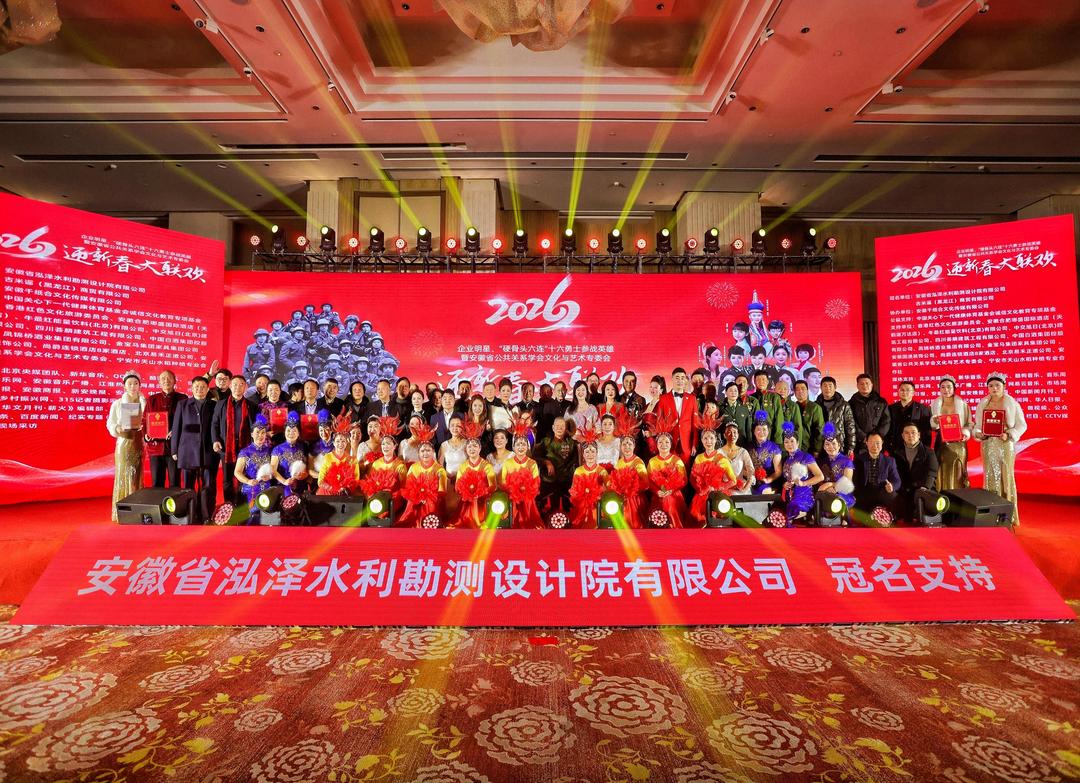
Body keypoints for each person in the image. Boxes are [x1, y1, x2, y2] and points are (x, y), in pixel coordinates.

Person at [974, 372, 1027, 525]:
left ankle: (1008, 516)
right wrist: (979, 433)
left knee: (1006, 477)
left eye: (997, 385)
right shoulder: (983, 403)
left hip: (1005, 444)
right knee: (990, 476)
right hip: (988, 444)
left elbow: (1022, 425)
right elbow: (978, 425)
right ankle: (991, 515)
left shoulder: (1012, 403)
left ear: (1004, 386)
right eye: (991, 386)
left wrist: (1009, 434)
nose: (994, 388)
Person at [171, 376, 218, 523]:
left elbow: (217, 427)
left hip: (208, 451)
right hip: (187, 451)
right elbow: (176, 428)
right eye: (196, 387)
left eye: (203, 387)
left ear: (208, 389)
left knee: (208, 485)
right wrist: (174, 450)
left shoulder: (214, 405)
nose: (199, 389)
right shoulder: (183, 404)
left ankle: (206, 516)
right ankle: (189, 516)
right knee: (188, 486)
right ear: (192, 388)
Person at [212, 375, 259, 504]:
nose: (238, 387)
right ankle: (229, 506)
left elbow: (256, 426)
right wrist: (215, 440)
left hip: (245, 448)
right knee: (227, 480)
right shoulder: (221, 404)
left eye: (241, 384)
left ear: (245, 387)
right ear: (230, 386)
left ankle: (242, 507)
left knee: (244, 478)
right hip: (226, 447)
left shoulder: (251, 405)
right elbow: (214, 424)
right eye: (235, 384)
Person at [106, 371, 146, 521]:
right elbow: (110, 423)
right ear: (124, 386)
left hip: (139, 443)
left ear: (139, 385)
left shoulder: (144, 403)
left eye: (136, 383)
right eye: (130, 383)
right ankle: (123, 512)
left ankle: (137, 511)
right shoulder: (117, 404)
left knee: (137, 476)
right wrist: (118, 429)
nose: (133, 386)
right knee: (124, 475)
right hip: (124, 443)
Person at [688, 417, 737, 527]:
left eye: (711, 438)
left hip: (717, 495)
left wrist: (718, 488)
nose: (708, 441)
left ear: (716, 440)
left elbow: (733, 481)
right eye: (705, 438)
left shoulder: (722, 459)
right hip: (701, 495)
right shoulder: (699, 458)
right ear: (701, 440)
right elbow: (692, 478)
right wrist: (701, 489)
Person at [144, 369, 186, 489]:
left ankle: (174, 502)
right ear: (159, 382)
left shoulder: (182, 399)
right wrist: (146, 434)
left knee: (175, 483)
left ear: (174, 381)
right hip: (155, 448)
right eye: (163, 378)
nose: (166, 381)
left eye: (169, 378)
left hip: (174, 448)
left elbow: (186, 420)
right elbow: (145, 420)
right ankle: (158, 503)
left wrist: (176, 431)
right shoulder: (152, 399)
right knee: (157, 483)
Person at [930, 374, 972, 491]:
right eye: (942, 387)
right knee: (941, 470)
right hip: (942, 443)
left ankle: (958, 498)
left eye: (949, 387)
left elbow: (969, 424)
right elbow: (932, 425)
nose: (946, 390)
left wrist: (965, 433)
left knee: (958, 472)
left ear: (954, 388)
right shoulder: (935, 405)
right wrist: (934, 421)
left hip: (959, 444)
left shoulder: (963, 405)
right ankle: (943, 497)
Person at [778, 422, 824, 523]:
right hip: (790, 498)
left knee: (786, 517)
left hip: (804, 497)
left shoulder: (806, 457)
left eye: (792, 441)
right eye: (786, 442)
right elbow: (788, 480)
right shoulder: (786, 460)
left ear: (798, 442)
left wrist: (803, 483)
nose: (789, 444)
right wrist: (785, 484)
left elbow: (820, 476)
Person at [895, 422, 939, 523]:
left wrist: (925, 487)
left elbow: (932, 472)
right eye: (906, 433)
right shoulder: (897, 452)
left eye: (913, 432)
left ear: (919, 435)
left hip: (922, 487)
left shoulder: (929, 452)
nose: (910, 435)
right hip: (904, 488)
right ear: (902, 436)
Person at [233, 416, 275, 520]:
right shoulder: (245, 452)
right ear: (252, 434)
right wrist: (248, 481)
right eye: (257, 432)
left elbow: (274, 470)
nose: (260, 435)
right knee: (253, 517)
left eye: (263, 433)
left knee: (268, 519)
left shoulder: (270, 450)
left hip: (267, 489)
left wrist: (270, 476)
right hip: (251, 489)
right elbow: (237, 472)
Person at [501, 424, 542, 528]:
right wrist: (514, 491)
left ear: (527, 447)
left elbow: (536, 482)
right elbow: (503, 482)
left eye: (523, 444)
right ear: (513, 447)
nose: (521, 447)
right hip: (512, 498)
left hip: (528, 499)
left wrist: (525, 491)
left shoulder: (532, 463)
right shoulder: (508, 463)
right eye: (518, 444)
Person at [853, 433, 901, 521]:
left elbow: (897, 480)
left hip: (882, 491)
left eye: (877, 443)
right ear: (866, 443)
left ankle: (891, 518)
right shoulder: (859, 459)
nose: (874, 446)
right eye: (871, 442)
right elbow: (855, 480)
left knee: (894, 497)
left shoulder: (889, 461)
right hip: (865, 492)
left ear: (882, 443)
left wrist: (892, 486)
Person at [400, 440, 448, 527]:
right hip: (416, 498)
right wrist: (419, 497)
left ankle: (430, 523)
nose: (425, 453)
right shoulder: (414, 467)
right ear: (418, 454)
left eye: (428, 450)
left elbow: (441, 491)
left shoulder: (439, 469)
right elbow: (409, 485)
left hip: (433, 498)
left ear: (433, 453)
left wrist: (427, 497)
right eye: (422, 451)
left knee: (430, 503)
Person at [654, 367, 698, 463]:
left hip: (686, 444)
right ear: (672, 379)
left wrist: (694, 444)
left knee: (685, 470)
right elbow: (659, 422)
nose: (680, 381)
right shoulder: (663, 398)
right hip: (669, 444)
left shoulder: (692, 398)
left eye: (682, 378)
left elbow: (695, 424)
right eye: (677, 378)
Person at [535, 416, 576, 516]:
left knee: (568, 508)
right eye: (557, 426)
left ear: (566, 429)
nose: (559, 428)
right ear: (553, 427)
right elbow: (536, 456)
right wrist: (546, 462)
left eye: (562, 426)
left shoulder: (571, 443)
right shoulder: (546, 441)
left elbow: (575, 461)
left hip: (565, 479)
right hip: (548, 479)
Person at [455, 432, 497, 529]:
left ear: (480, 448)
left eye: (475, 446)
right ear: (466, 450)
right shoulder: (463, 466)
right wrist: (467, 493)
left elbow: (493, 486)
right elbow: (457, 486)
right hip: (467, 501)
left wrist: (481, 493)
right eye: (469, 446)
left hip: (482, 501)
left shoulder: (486, 466)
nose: (472, 449)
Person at [647, 431, 687, 528]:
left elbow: (684, 480)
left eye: (666, 442)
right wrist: (657, 491)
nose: (663, 444)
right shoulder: (652, 461)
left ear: (671, 444)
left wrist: (672, 490)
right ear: (656, 444)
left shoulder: (677, 460)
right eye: (660, 442)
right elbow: (648, 481)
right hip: (658, 496)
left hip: (674, 495)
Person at [611, 432, 648, 529]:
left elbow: (645, 483)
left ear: (634, 446)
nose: (627, 447)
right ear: (620, 446)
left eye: (630, 444)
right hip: (621, 498)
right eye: (624, 444)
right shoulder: (619, 462)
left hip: (635, 499)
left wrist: (631, 490)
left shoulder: (638, 462)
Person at [569, 441, 609, 528]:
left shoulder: (602, 471)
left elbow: (609, 489)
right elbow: (574, 490)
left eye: (593, 451)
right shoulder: (578, 471)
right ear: (583, 454)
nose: (590, 455)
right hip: (582, 507)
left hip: (597, 506)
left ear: (597, 453)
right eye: (587, 452)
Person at [817, 422, 855, 512]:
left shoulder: (847, 461)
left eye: (834, 443)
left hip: (842, 494)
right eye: (827, 444)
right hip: (825, 493)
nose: (831, 447)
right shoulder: (821, 462)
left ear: (839, 445)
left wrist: (831, 485)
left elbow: (847, 483)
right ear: (824, 447)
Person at [850, 373, 890, 454]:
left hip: (878, 443)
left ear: (872, 385)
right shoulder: (851, 403)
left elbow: (886, 421)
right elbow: (851, 422)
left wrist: (877, 436)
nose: (864, 386)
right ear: (857, 386)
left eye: (867, 383)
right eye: (861, 384)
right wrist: (863, 437)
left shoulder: (881, 402)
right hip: (860, 443)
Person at [888, 381, 932, 454]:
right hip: (896, 448)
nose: (904, 392)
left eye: (908, 390)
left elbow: (927, 431)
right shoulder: (890, 409)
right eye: (902, 390)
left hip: (917, 448)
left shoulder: (923, 409)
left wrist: (925, 448)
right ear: (898, 392)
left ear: (913, 393)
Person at [270, 413, 309, 497]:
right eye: (288, 430)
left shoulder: (303, 447)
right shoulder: (277, 449)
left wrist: (303, 475)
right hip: (283, 486)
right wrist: (284, 481)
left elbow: (306, 468)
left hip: (301, 485)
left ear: (298, 433)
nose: (291, 433)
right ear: (284, 432)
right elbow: (273, 470)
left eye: (294, 430)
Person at [818, 376, 856, 457]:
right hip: (821, 447)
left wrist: (851, 447)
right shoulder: (816, 405)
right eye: (825, 386)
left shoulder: (844, 405)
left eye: (830, 386)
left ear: (835, 387)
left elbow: (850, 426)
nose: (827, 388)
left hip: (840, 445)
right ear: (821, 388)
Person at [748, 410, 782, 494]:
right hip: (750, 481)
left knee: (766, 492)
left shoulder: (774, 448)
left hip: (768, 483)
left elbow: (778, 471)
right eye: (758, 430)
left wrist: (768, 480)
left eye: (764, 429)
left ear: (768, 431)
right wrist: (751, 475)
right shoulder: (748, 447)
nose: (761, 432)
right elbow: (744, 469)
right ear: (754, 431)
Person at [718, 420, 753, 491]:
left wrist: (747, 485)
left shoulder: (743, 452)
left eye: (734, 432)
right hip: (724, 488)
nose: (732, 435)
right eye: (729, 432)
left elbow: (750, 469)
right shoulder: (718, 452)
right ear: (724, 435)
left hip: (740, 487)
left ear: (738, 435)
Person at [792, 380, 825, 455]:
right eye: (797, 389)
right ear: (794, 392)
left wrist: (817, 450)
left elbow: (820, 430)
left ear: (807, 391)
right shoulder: (792, 407)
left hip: (810, 449)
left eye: (803, 389)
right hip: (794, 448)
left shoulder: (815, 407)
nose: (800, 391)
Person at [718, 381, 754, 447]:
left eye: (735, 391)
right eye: (731, 391)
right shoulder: (720, 407)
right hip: (725, 444)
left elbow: (748, 428)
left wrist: (750, 444)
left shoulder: (744, 408)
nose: (733, 393)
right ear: (726, 392)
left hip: (741, 443)